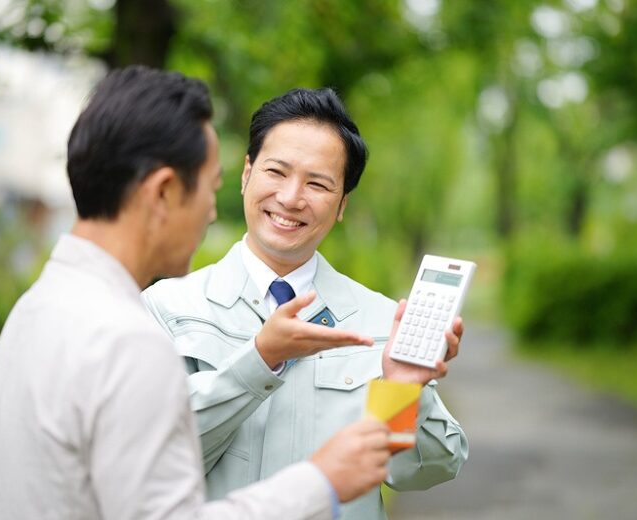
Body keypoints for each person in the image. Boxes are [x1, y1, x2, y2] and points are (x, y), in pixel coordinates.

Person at [0, 66, 394, 520]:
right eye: (210, 189)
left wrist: (405, 387)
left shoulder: (36, 307)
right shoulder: (131, 337)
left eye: (316, 183)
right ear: (164, 192)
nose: (213, 212)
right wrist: (321, 482)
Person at [142, 87, 469, 520]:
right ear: (246, 174)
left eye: (317, 183)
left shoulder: (377, 321)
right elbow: (151, 460)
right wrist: (260, 359)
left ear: (341, 206)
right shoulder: (167, 309)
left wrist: (404, 389)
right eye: (276, 172)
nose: (292, 197)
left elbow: (422, 470)